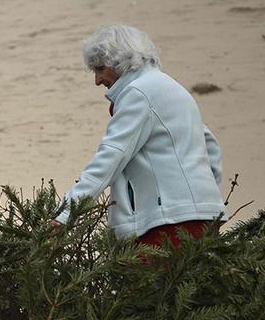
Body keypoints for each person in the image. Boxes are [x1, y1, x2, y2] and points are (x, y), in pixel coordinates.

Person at [54, 24, 225, 249]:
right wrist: (206, 199)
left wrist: (66, 213)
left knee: (146, 273)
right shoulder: (170, 87)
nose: (97, 80)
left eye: (100, 68)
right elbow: (209, 146)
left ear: (120, 60)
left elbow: (112, 155)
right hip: (203, 216)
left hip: (166, 223)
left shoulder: (138, 93)